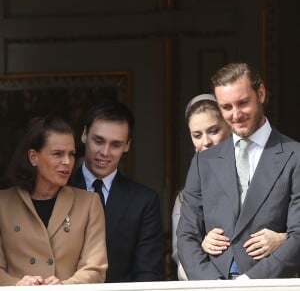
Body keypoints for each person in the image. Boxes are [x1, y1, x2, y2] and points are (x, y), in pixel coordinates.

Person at [177, 62, 300, 279]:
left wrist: (248, 283)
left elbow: (298, 234)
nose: (236, 114)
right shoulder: (202, 162)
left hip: (269, 284)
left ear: (260, 93)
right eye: (226, 107)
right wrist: (213, 284)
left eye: (243, 103)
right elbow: (187, 236)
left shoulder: (294, 155)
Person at [0, 116, 107, 286]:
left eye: (71, 154)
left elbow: (95, 269)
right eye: (58, 154)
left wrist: (64, 287)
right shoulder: (2, 204)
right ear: (33, 157)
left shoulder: (89, 203)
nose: (67, 162)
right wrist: (18, 285)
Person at [70, 100, 163, 282]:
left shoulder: (144, 201)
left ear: (127, 146)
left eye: (116, 145)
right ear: (84, 135)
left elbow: (148, 272)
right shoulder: (59, 189)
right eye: (98, 141)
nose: (105, 152)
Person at [172, 94, 231, 280]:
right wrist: (202, 248)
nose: (206, 142)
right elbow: (180, 254)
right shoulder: (184, 197)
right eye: (197, 135)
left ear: (229, 127)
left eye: (213, 131)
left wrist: (281, 238)